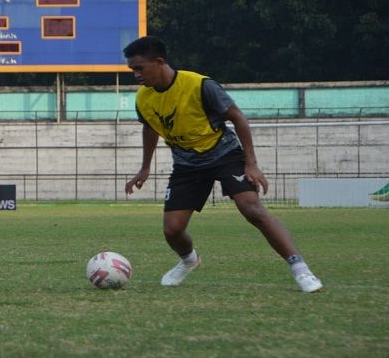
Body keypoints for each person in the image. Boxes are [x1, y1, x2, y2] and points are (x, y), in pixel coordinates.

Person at [122, 36, 323, 293]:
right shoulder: (143, 99)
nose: (135, 74)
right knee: (172, 231)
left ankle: (301, 269)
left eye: (139, 68)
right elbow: (150, 128)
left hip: (224, 155)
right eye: (132, 69)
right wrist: (144, 167)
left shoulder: (200, 85)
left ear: (159, 62)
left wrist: (251, 163)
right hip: (186, 164)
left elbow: (237, 117)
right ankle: (188, 261)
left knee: (253, 211)